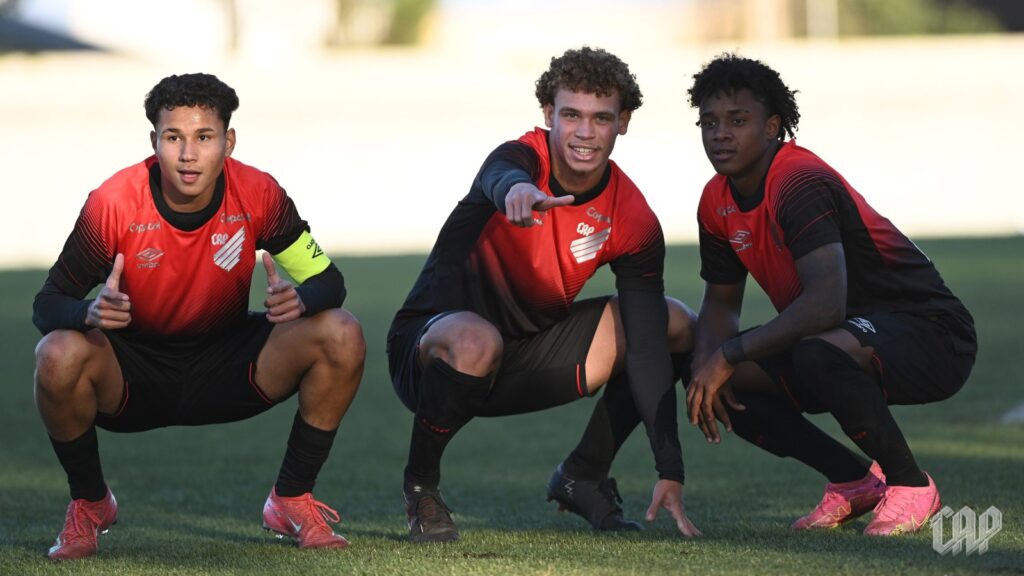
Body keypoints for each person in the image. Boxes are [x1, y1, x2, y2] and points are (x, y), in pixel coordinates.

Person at [33, 73, 366, 560]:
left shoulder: (258, 193)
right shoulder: (113, 202)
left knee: (342, 332)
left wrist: (305, 300)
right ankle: (91, 503)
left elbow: (328, 280)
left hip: (230, 361)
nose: (188, 155)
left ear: (228, 142)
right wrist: (88, 311)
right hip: (133, 370)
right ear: (154, 141)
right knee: (56, 353)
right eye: (174, 138)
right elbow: (47, 303)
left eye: (204, 137)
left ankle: (291, 499)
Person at [386, 46, 703, 543]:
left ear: (623, 122)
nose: (584, 131)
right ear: (548, 115)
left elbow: (645, 345)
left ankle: (584, 475)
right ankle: (421, 488)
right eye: (571, 114)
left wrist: (671, 467)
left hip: (527, 353)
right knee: (475, 341)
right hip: (431, 351)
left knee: (675, 322)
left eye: (601, 118)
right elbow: (499, 171)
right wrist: (514, 189)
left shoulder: (633, 217)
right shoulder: (522, 158)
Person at [684, 54, 976, 536]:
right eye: (709, 122)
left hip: (934, 335)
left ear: (773, 125)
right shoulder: (715, 200)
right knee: (715, 373)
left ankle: (911, 484)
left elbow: (825, 305)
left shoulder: (798, 181)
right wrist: (706, 367)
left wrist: (729, 353)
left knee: (812, 352)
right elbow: (719, 301)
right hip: (839, 342)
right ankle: (853, 480)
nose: (720, 134)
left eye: (738, 120)